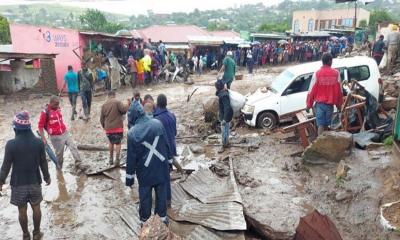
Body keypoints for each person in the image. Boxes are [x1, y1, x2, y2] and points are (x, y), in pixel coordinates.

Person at [0, 111, 51, 240]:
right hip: (34, 182)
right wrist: (47, 177)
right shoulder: (39, 142)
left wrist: (0, 182)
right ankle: (37, 233)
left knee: (22, 211)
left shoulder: (11, 144)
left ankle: (25, 235)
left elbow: (5, 167)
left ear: (16, 128)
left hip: (18, 184)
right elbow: (43, 162)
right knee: (36, 208)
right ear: (28, 127)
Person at [125, 101, 172, 226]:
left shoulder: (132, 133)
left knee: (145, 198)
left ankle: (145, 223)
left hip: (145, 172)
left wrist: (129, 179)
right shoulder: (158, 124)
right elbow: (167, 145)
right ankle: (162, 222)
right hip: (161, 168)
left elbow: (131, 158)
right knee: (161, 196)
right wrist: (170, 162)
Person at [38, 96, 83, 171]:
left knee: (73, 146)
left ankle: (78, 163)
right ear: (51, 103)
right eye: (56, 104)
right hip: (55, 137)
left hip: (64, 132)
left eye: (58, 104)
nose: (58, 106)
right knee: (59, 155)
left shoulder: (57, 108)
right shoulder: (45, 112)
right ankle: (59, 170)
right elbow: (40, 126)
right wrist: (43, 139)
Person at [306, 53, 343, 135]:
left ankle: (320, 142)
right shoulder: (336, 73)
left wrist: (308, 105)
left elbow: (311, 91)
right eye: (332, 61)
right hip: (329, 106)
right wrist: (339, 105)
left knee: (320, 125)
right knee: (327, 125)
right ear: (330, 61)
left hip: (319, 105)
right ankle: (325, 142)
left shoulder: (317, 74)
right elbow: (339, 92)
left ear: (322, 61)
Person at [154, 94, 177, 207]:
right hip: (171, 149)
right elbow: (175, 133)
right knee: (166, 174)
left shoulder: (156, 119)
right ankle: (167, 200)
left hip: (162, 150)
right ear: (166, 103)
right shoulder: (172, 115)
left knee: (163, 176)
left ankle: (165, 200)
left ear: (157, 104)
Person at [100, 91, 130, 166]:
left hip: (108, 128)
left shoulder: (104, 105)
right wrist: (128, 104)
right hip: (117, 127)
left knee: (111, 142)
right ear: (114, 95)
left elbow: (101, 119)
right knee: (118, 142)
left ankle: (110, 159)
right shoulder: (117, 102)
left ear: (108, 96)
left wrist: (105, 126)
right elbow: (123, 110)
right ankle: (117, 160)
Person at [215, 80, 233, 153]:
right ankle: (226, 143)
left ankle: (224, 145)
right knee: (226, 130)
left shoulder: (224, 95)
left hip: (225, 117)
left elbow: (227, 107)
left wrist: (224, 119)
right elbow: (217, 93)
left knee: (224, 131)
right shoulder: (223, 93)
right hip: (226, 115)